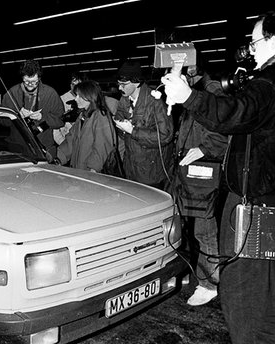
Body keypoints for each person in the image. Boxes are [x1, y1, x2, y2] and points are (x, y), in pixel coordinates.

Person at [162, 11, 275, 344]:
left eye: (255, 40)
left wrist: (188, 97)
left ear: (274, 42)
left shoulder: (271, 81)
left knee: (249, 296)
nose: (251, 48)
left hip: (256, 205)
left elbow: (233, 113)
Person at [174, 64, 228, 307]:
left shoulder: (212, 91)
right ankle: (194, 270)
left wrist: (203, 149)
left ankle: (209, 284)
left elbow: (223, 131)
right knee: (186, 224)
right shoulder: (194, 90)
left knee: (204, 229)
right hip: (189, 164)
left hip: (203, 167)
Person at [113, 61, 175, 191]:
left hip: (150, 172)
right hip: (130, 168)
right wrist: (122, 129)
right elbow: (121, 131)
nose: (119, 88)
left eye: (123, 84)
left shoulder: (155, 103)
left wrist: (132, 130)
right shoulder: (124, 101)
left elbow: (165, 136)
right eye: (118, 84)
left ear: (136, 82)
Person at [1, 59, 64, 159]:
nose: (30, 85)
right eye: (26, 81)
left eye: (34, 82)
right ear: (22, 77)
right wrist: (16, 115)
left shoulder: (50, 94)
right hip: (18, 149)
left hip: (44, 149)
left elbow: (60, 121)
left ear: (39, 78)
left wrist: (43, 117)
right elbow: (1, 121)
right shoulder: (11, 94)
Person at [56, 80, 115, 172]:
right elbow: (71, 139)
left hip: (89, 172)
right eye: (76, 95)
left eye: (80, 96)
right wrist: (58, 157)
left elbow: (102, 146)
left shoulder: (101, 116)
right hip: (79, 168)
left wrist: (93, 169)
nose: (76, 99)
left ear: (90, 97)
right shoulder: (82, 116)